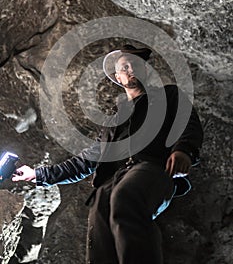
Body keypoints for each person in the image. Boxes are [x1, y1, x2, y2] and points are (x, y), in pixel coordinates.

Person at [12, 44, 203, 264]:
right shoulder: (113, 124)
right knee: (99, 225)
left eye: (135, 64)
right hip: (113, 181)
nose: (130, 68)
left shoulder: (168, 96)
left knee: (125, 198)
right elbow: (84, 163)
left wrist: (183, 150)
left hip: (151, 169)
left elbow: (187, 123)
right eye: (124, 67)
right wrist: (37, 175)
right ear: (118, 77)